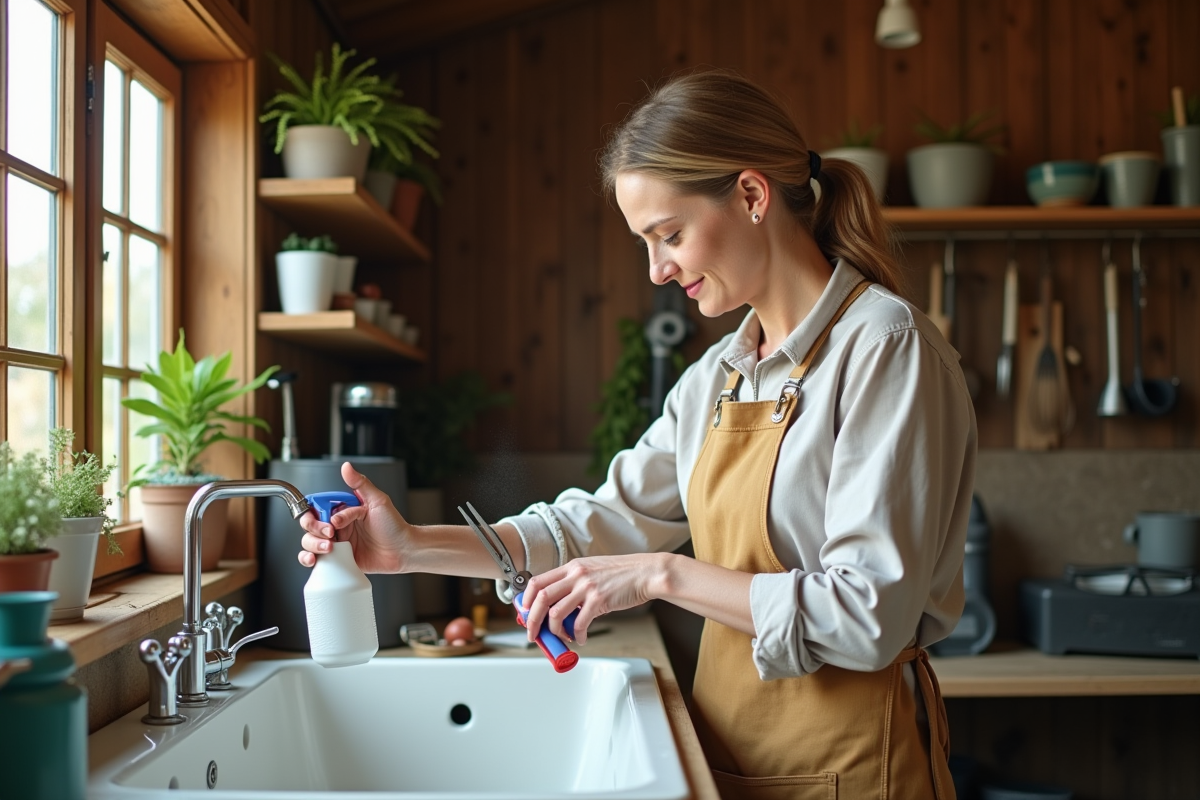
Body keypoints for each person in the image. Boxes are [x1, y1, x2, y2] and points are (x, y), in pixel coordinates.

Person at [297, 68, 975, 800]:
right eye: (645, 243)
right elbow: (600, 524)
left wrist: (662, 574)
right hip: (733, 760)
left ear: (752, 195)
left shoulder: (882, 347)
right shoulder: (721, 373)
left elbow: (868, 616)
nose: (656, 271)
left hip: (859, 769)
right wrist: (412, 549)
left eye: (670, 235)